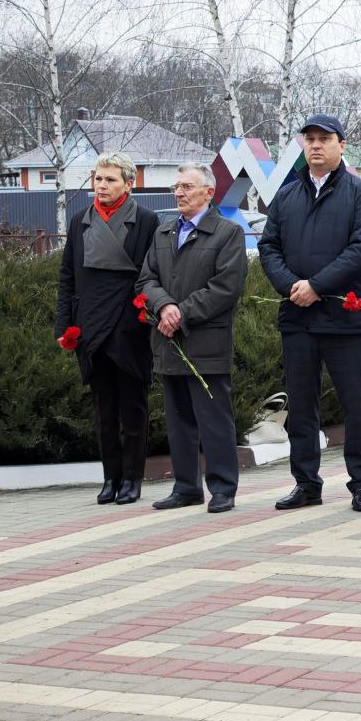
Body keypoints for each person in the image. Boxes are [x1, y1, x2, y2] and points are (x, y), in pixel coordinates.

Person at [258, 114, 361, 514]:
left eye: (324, 139)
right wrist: (291, 286)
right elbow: (268, 247)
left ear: (341, 145)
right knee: (301, 405)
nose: (315, 145)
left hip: (346, 319)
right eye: (309, 139)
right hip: (298, 319)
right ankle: (306, 483)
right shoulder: (287, 195)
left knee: (356, 404)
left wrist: (317, 286)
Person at [137, 163, 247, 513]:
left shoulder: (228, 233)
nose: (179, 192)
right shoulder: (164, 232)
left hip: (206, 342)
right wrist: (163, 305)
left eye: (187, 186)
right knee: (179, 420)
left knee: (214, 420)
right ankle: (186, 486)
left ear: (209, 193)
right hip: (169, 342)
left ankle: (223, 488)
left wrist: (180, 313)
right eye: (177, 186)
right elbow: (146, 281)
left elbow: (225, 288)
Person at [55, 152, 159, 505]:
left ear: (128, 184)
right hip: (91, 326)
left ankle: (132, 479)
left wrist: (145, 315)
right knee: (103, 409)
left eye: (110, 180)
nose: (102, 186)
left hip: (129, 327)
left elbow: (152, 274)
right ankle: (110, 478)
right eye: (98, 179)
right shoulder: (79, 220)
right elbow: (68, 275)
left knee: (133, 408)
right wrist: (64, 324)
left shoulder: (146, 220)